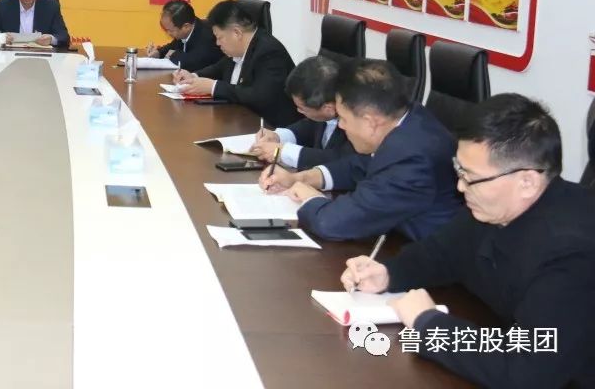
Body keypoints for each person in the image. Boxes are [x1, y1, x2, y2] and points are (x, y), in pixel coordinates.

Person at [341, 94, 595, 388]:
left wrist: (428, 323)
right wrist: (388, 273)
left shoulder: (574, 252)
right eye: (458, 170)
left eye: (471, 177)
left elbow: (527, 369)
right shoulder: (493, 206)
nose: (461, 186)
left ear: (527, 182)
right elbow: (441, 253)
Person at [260, 59, 461, 241]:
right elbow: (359, 165)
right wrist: (300, 179)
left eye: (343, 119)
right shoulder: (408, 119)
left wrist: (310, 198)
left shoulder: (411, 159)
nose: (340, 126)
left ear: (370, 122)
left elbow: (332, 223)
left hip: (427, 259)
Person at [172, 0, 299, 127]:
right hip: (241, 121)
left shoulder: (269, 52)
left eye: (219, 37)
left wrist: (213, 87)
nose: (217, 43)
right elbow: (219, 68)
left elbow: (260, 96)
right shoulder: (238, 50)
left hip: (269, 128)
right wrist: (193, 76)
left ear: (237, 33)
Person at [249, 55, 354, 170]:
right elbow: (308, 127)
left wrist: (283, 152)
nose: (298, 111)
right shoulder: (326, 104)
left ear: (328, 109)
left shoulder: (356, 122)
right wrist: (277, 137)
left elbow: (339, 159)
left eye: (302, 108)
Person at [144, 0, 222, 72]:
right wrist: (158, 52)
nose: (168, 33)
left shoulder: (208, 37)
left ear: (186, 27)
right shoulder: (188, 26)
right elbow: (173, 45)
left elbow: (187, 63)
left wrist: (172, 54)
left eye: (170, 30)